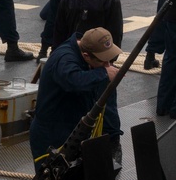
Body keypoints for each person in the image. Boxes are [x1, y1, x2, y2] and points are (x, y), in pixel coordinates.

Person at [29, 27, 123, 166]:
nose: (108, 65)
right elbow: (74, 81)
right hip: (52, 135)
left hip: (74, 129)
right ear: (86, 55)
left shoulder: (88, 57)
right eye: (103, 62)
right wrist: (103, 73)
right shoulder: (64, 59)